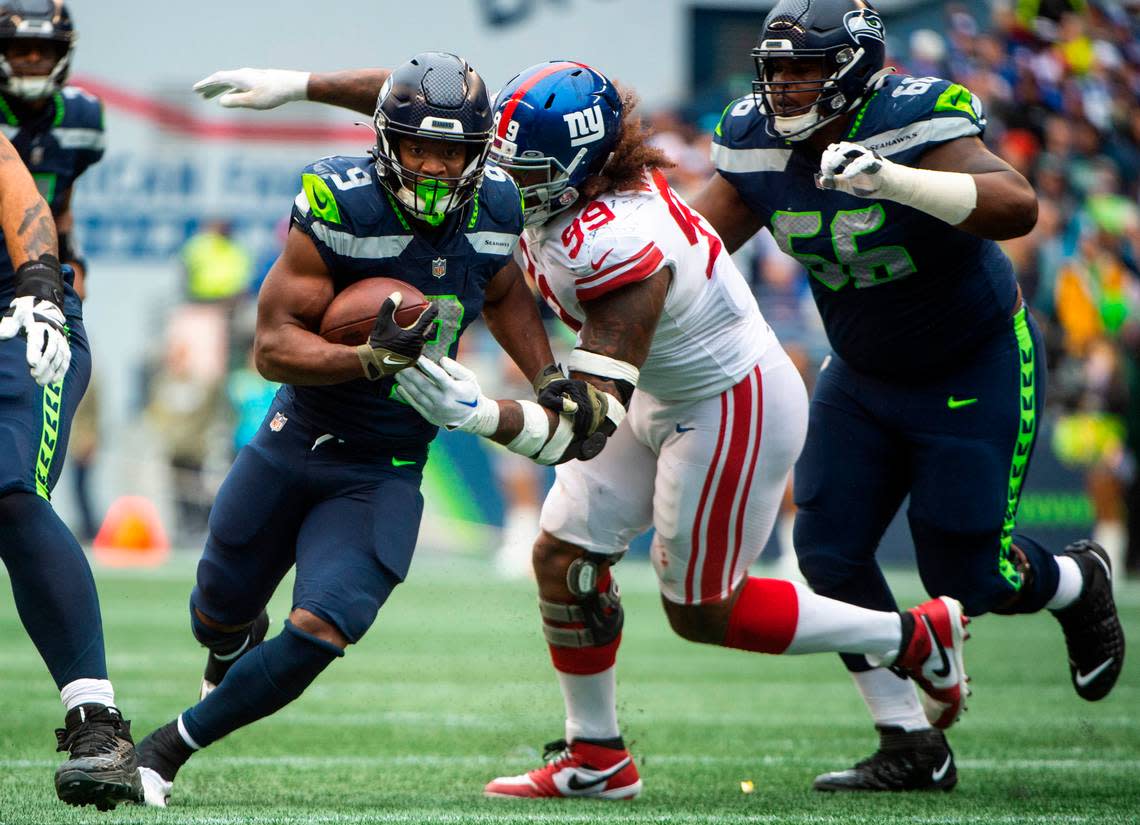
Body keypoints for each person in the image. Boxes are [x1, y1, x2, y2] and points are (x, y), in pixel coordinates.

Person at [194, 60, 975, 799]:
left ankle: (912, 633)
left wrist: (478, 414)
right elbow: (431, 121)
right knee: (563, 555)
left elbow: (584, 428)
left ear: (577, 168)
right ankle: (597, 754)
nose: (492, 178)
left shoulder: (620, 241)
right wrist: (298, 85)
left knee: (703, 608)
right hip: (658, 390)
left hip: (727, 401)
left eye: (521, 173)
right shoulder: (531, 156)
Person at [134, 52, 603, 808]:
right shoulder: (339, 200)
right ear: (385, 141)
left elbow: (507, 290)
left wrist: (549, 376)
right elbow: (271, 346)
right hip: (298, 436)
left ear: (479, 152)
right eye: (417, 146)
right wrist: (367, 358)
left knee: (324, 624)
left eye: (451, 152)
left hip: (386, 462)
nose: (432, 166)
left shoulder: (496, 206)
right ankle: (227, 644)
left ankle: (165, 749)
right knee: (218, 609)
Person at [686, 0, 1125, 791]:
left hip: (970, 362)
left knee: (970, 579)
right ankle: (909, 740)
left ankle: (1074, 581)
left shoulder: (914, 118)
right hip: (861, 373)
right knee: (826, 553)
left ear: (853, 70)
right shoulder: (753, 140)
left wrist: (896, 180)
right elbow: (688, 247)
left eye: (804, 69)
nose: (783, 87)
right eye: (775, 69)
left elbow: (1017, 205)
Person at [0, 1, 140, 811]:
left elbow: (28, 194)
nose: (25, 61)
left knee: (12, 490)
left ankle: (95, 719)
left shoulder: (78, 122)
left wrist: (47, 285)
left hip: (21, 304)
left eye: (37, 49)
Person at [0, 1, 103, 300]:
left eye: (43, 50)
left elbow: (61, 205)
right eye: (22, 50)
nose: (33, 58)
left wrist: (72, 258)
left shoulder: (82, 116)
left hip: (40, 264)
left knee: (69, 339)